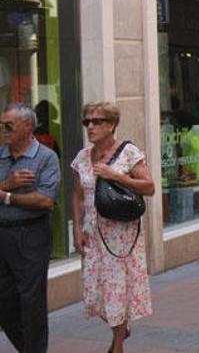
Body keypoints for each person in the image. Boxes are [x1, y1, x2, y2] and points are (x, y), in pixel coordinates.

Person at [71, 101, 156, 353]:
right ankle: (121, 328)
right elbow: (77, 196)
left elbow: (149, 187)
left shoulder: (129, 153)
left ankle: (117, 345)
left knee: (117, 289)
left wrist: (115, 175)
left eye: (98, 121)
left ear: (112, 125)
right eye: (87, 121)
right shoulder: (82, 157)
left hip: (121, 236)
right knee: (95, 292)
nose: (91, 127)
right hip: (92, 234)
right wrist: (77, 229)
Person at [0, 103, 60, 353]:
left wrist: (6, 196)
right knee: (4, 301)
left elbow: (45, 200)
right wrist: (9, 183)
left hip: (32, 234)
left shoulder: (46, 157)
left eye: (8, 125)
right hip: (2, 234)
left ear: (27, 126)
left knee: (31, 302)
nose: (2, 129)